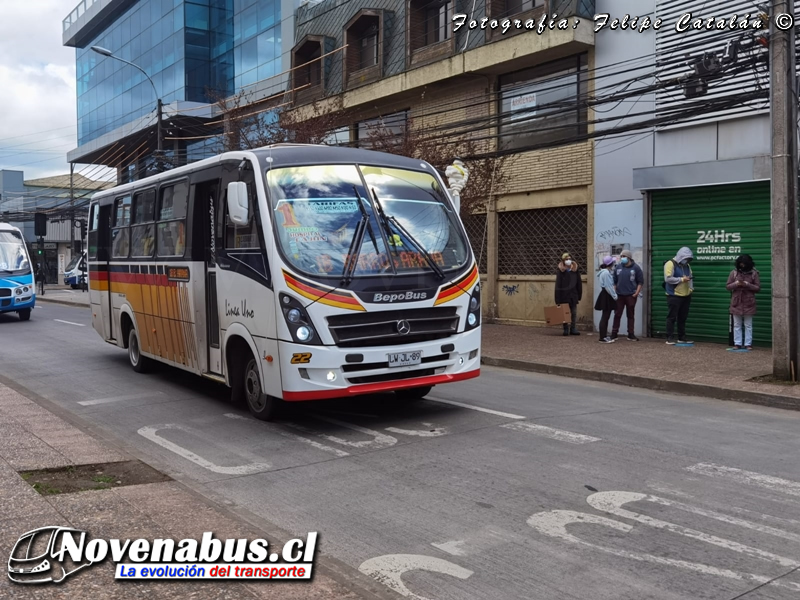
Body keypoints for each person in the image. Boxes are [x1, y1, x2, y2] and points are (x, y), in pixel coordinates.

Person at [726, 254, 760, 350]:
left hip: (749, 302)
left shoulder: (754, 273)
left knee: (748, 324)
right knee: (736, 324)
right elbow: (728, 286)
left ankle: (748, 344)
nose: (742, 266)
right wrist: (736, 284)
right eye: (740, 264)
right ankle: (737, 343)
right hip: (736, 302)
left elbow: (757, 288)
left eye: (744, 264)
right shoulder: (734, 273)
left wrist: (747, 284)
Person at [611, 249, 644, 341]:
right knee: (617, 314)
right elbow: (614, 281)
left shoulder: (636, 268)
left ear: (629, 258)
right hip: (619, 295)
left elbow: (640, 282)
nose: (622, 258)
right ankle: (614, 333)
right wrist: (614, 292)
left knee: (630, 315)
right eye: (621, 256)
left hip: (631, 295)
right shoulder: (618, 267)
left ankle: (631, 334)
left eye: (624, 256)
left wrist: (636, 293)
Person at [664, 246, 694, 345]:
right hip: (674, 295)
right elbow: (668, 279)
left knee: (682, 317)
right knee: (671, 317)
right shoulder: (670, 264)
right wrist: (681, 279)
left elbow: (690, 278)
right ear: (681, 256)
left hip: (686, 295)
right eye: (686, 258)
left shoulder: (687, 266)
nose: (687, 261)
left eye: (689, 259)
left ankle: (682, 337)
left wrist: (690, 289)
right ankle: (670, 337)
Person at [555, 252, 582, 336]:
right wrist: (557, 299)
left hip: (573, 295)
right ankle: (566, 328)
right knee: (565, 313)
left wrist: (579, 295)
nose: (568, 261)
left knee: (573, 312)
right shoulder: (560, 271)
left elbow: (579, 283)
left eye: (569, 259)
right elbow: (558, 285)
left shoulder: (575, 270)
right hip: (564, 295)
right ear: (563, 261)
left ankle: (573, 328)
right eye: (566, 259)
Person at [595, 256, 618, 343]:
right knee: (605, 316)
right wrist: (615, 296)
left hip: (605, 294)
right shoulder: (606, 273)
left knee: (606, 316)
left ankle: (604, 336)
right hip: (607, 295)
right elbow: (609, 287)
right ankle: (602, 337)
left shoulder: (604, 272)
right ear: (610, 264)